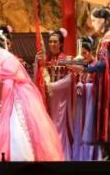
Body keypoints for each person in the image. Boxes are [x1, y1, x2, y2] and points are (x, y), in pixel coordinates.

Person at [0, 26, 64, 161]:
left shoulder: (7, 59)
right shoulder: (4, 58)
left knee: (17, 130)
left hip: (19, 98)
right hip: (18, 96)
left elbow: (8, 85)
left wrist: (5, 105)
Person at [67, 7, 110, 160]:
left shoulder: (109, 38)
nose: (92, 23)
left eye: (94, 20)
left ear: (103, 20)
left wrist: (84, 67)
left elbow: (104, 64)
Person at [34, 28, 73, 159]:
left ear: (61, 44)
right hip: (48, 99)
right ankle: (50, 154)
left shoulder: (67, 59)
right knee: (47, 126)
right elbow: (37, 78)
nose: (52, 44)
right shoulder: (46, 60)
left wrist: (53, 86)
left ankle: (61, 155)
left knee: (58, 127)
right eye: (50, 41)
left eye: (55, 42)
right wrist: (36, 62)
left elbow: (70, 79)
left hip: (61, 100)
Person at [71, 37, 102, 161]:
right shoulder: (85, 66)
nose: (83, 56)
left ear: (90, 53)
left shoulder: (95, 66)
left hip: (91, 103)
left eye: (84, 53)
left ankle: (90, 157)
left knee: (89, 127)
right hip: (82, 102)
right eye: (81, 53)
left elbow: (97, 86)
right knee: (80, 126)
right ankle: (80, 156)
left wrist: (83, 86)